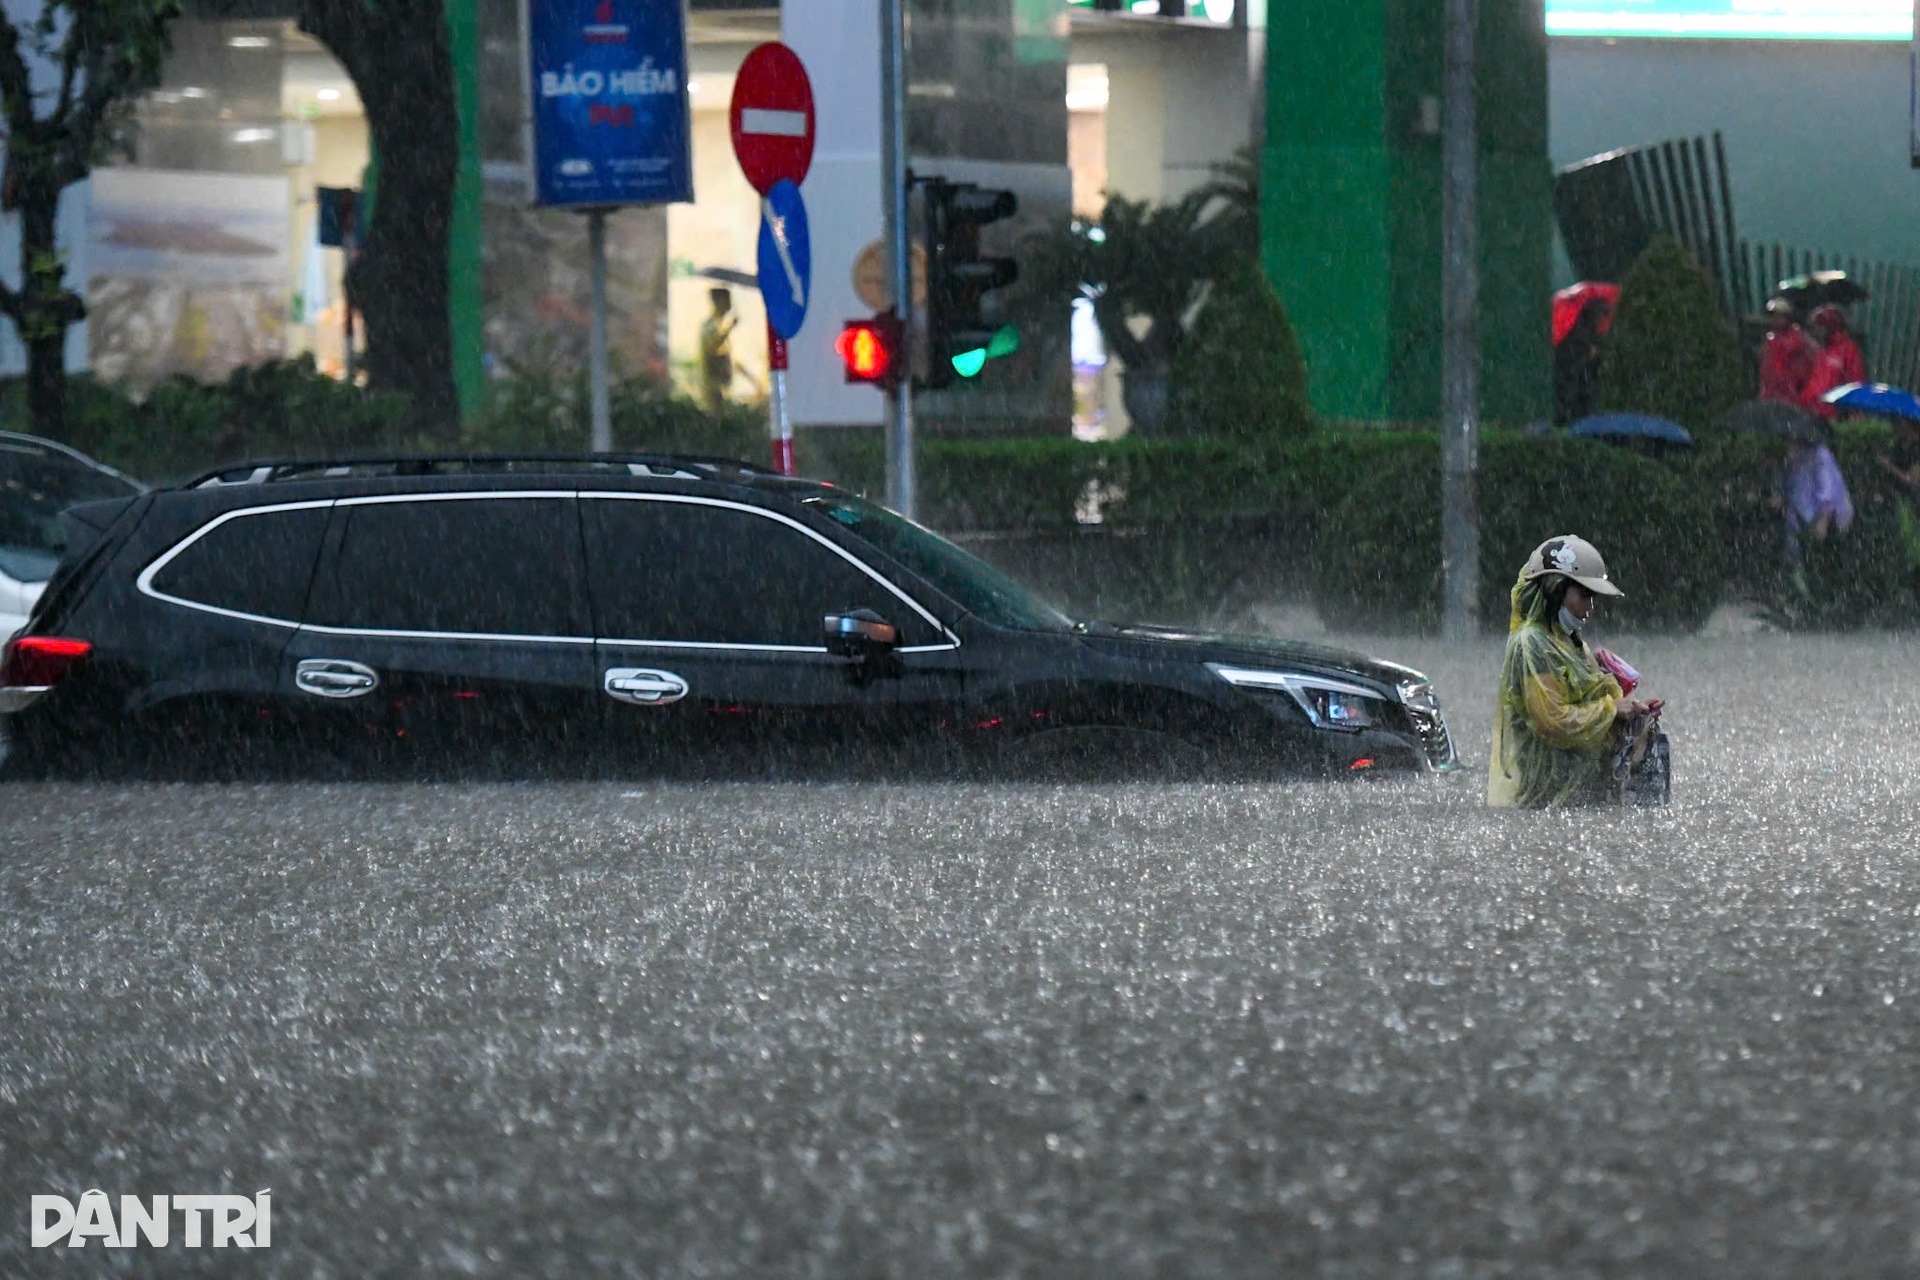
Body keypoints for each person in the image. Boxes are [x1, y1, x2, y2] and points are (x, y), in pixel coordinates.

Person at [1488, 536, 1660, 809]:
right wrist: (1612, 709)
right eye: (1584, 595)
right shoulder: (1532, 644)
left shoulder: (1571, 643)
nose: (1591, 607)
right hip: (1547, 801)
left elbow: (1588, 704)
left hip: (1583, 794)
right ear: (1555, 589)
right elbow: (1551, 721)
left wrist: (1633, 711)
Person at [1801, 304, 1866, 419]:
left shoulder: (1847, 349)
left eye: (1819, 327)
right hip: (1812, 409)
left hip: (1831, 412)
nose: (1816, 331)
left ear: (1830, 327)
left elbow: (1855, 380)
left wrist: (1852, 410)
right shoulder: (1822, 350)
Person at [1552, 297, 1609, 426]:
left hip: (1584, 382)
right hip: (1575, 383)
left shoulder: (1592, 333)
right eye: (1600, 316)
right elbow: (1569, 357)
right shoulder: (1579, 333)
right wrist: (1587, 355)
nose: (1601, 320)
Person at [1758, 297, 1816, 404]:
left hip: (1792, 394)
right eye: (1772, 316)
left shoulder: (1798, 338)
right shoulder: (1770, 339)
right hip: (1772, 394)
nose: (1774, 320)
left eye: (1778, 316)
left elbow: (1809, 363)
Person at [698, 287, 738, 412]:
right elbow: (712, 346)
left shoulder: (719, 324)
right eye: (727, 300)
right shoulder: (710, 325)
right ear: (718, 301)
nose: (730, 304)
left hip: (722, 385)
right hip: (714, 386)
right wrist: (729, 328)